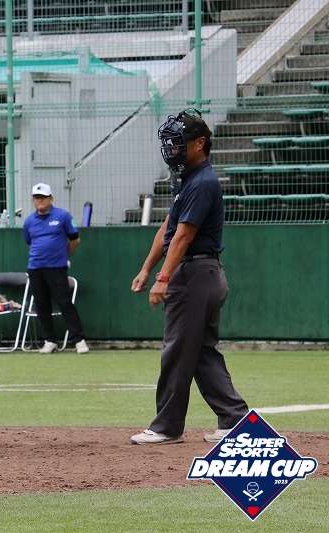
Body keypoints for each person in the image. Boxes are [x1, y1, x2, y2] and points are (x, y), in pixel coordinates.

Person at [130, 109, 248, 445]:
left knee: (178, 351)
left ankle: (167, 427)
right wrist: (146, 268)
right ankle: (234, 420)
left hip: (194, 274)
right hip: (203, 274)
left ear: (200, 143)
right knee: (202, 352)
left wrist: (163, 278)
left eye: (178, 141)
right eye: (170, 142)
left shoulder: (202, 182)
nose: (172, 148)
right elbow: (168, 228)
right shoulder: (188, 180)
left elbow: (183, 237)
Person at [23, 183, 89, 355]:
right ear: (33, 201)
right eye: (37, 198)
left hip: (56, 268)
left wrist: (64, 257)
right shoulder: (29, 221)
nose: (40, 200)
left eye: (43, 197)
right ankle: (50, 341)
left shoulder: (63, 216)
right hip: (35, 268)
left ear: (50, 198)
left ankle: (79, 341)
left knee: (65, 303)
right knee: (42, 305)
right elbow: (30, 242)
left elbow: (75, 240)